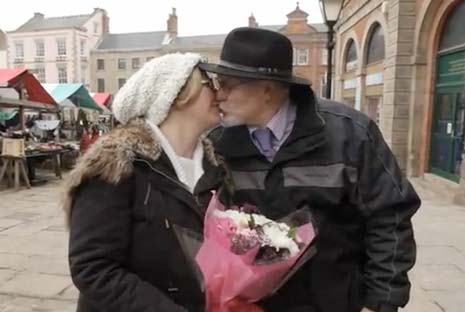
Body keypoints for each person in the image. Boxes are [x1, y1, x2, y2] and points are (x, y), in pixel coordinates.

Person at [196, 27, 421, 312]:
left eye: (227, 84)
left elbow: (390, 217)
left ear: (266, 89)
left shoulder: (351, 133)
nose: (218, 96)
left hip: (339, 302)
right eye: (217, 83)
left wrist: (380, 303)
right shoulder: (218, 146)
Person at [63, 53, 223, 312]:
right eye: (209, 83)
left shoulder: (217, 168)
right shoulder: (116, 164)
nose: (220, 92)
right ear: (176, 94)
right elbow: (92, 268)